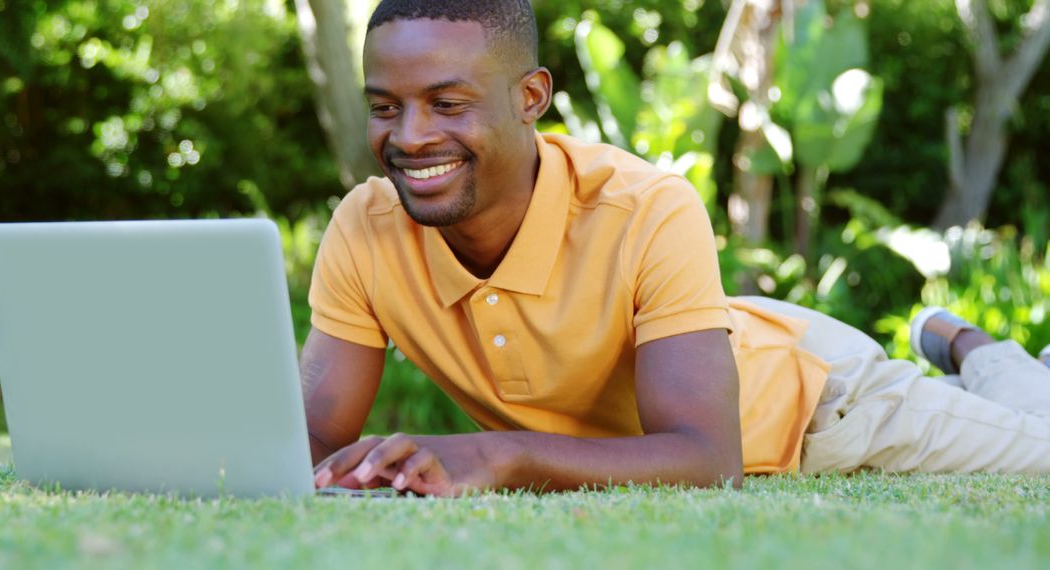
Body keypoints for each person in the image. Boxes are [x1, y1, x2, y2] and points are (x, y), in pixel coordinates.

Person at [300, 0, 1050, 497]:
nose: (410, 137)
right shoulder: (366, 228)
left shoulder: (644, 207)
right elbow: (307, 444)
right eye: (384, 108)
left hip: (823, 407)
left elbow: (705, 457)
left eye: (447, 103)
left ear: (530, 98)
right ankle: (969, 362)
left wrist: (498, 453)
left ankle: (979, 350)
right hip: (715, 332)